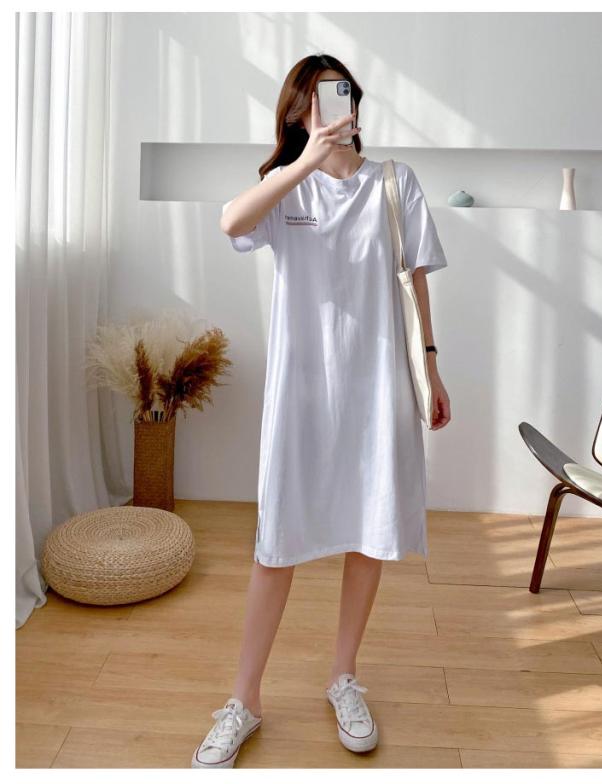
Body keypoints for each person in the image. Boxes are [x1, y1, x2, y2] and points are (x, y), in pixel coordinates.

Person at [191, 53, 451, 769]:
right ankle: (244, 700)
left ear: (354, 104)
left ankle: (343, 677)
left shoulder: (395, 183)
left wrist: (431, 369)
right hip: (300, 391)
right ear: (294, 115)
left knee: (369, 530)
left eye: (334, 97)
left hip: (377, 386)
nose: (326, 111)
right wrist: (304, 161)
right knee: (277, 543)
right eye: (308, 102)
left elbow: (415, 280)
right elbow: (230, 221)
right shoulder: (285, 187)